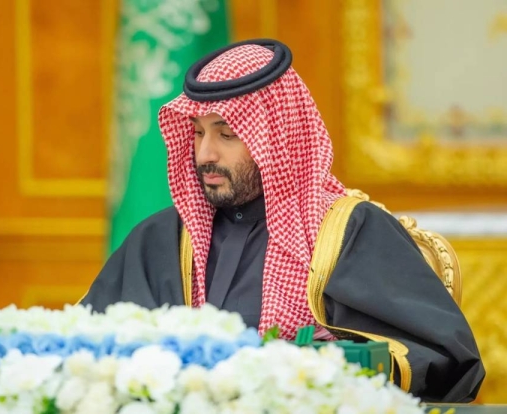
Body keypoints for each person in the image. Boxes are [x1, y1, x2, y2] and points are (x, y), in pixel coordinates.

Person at [80, 39, 484, 402]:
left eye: (226, 134)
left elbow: (443, 357)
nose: (204, 155)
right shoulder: (162, 239)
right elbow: (85, 346)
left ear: (274, 139)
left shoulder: (349, 232)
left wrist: (324, 372)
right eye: (198, 133)